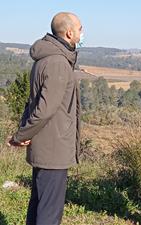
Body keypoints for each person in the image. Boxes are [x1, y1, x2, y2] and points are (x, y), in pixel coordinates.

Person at [7, 12, 83, 225]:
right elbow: (44, 109)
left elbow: (32, 103)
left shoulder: (47, 58)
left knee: (40, 204)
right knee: (49, 211)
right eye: (80, 28)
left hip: (46, 144)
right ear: (69, 33)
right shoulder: (58, 62)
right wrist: (21, 135)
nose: (82, 33)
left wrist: (23, 132)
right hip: (53, 146)